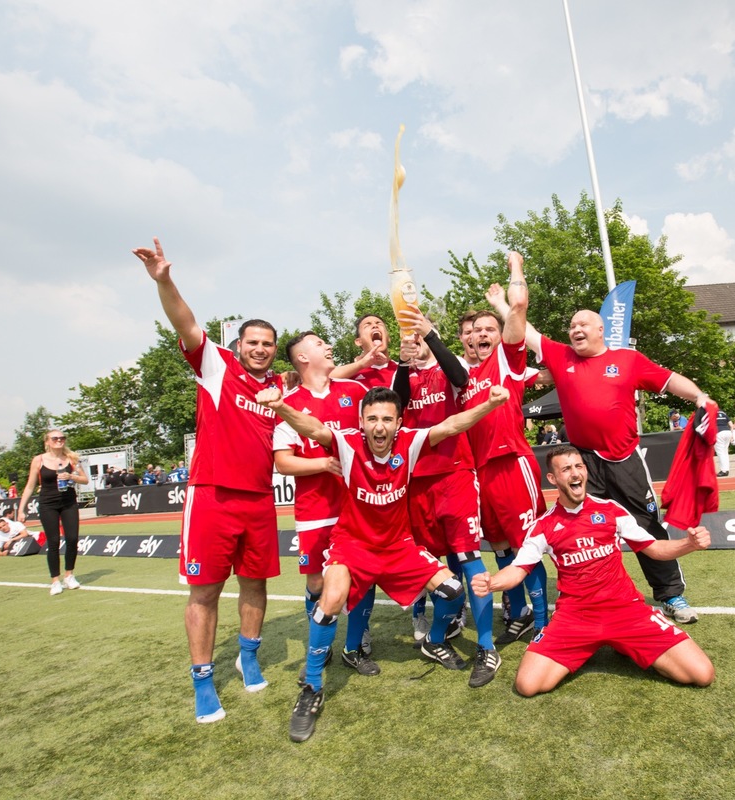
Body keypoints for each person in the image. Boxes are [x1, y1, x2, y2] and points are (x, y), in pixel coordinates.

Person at [257, 383, 511, 742]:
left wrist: (490, 402)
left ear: (398, 422)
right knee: (330, 600)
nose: (379, 427)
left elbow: (453, 425)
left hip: (398, 546)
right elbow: (312, 428)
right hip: (352, 544)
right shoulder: (346, 443)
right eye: (372, 418)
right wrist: (281, 405)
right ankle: (312, 687)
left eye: (387, 419)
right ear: (361, 421)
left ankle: (434, 639)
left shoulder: (411, 441)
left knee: (453, 590)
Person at [133, 237, 282, 725]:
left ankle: (249, 654)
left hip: (260, 500)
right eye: (252, 342)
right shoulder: (216, 365)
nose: (259, 349)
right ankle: (202, 680)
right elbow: (186, 323)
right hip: (213, 496)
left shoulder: (279, 389)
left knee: (255, 585)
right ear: (239, 345)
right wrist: (164, 280)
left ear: (274, 351)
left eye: (267, 344)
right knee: (206, 591)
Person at [521, 284, 708, 625]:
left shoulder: (627, 360)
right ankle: (587, 595)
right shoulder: (561, 357)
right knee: (578, 528)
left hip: (624, 459)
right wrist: (507, 296)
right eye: (572, 326)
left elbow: (668, 380)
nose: (576, 330)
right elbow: (526, 331)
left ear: (601, 330)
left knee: (647, 527)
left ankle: (670, 595)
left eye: (583, 325)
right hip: (583, 462)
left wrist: (699, 397)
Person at [471, 446, 714, 696]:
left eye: (579, 466)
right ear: (553, 479)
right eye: (566, 469)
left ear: (585, 471)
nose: (575, 473)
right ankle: (592, 646)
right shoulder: (543, 525)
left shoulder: (611, 509)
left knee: (701, 674)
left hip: (626, 611)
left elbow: (654, 548)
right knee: (528, 685)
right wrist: (492, 583)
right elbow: (518, 569)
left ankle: (628, 644)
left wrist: (689, 544)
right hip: (575, 617)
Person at [394, 307, 500, 688]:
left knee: (470, 559)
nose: (416, 343)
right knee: (429, 567)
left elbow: (460, 375)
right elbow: (394, 402)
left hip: (455, 474)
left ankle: (486, 646)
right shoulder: (403, 373)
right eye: (410, 339)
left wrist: (431, 333)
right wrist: (404, 362)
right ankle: (436, 637)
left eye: (420, 338)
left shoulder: (449, 367)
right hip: (416, 483)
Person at [457, 253, 552, 644]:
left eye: (488, 329)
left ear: (500, 335)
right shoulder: (465, 377)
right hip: (479, 474)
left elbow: (519, 307)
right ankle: (520, 610)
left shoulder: (507, 360)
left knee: (526, 545)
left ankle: (545, 623)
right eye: (473, 330)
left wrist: (516, 268)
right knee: (498, 545)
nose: (480, 334)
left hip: (511, 464)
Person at [273, 332, 376, 681]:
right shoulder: (288, 403)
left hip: (358, 506)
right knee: (317, 582)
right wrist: (322, 464)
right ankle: (321, 644)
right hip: (314, 509)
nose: (328, 347)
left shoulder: (355, 393)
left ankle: (355, 647)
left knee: (362, 576)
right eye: (319, 344)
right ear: (301, 358)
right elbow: (283, 463)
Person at [18, 430, 88, 593]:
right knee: (54, 541)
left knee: (72, 538)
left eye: (62, 438)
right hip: (48, 504)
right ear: (47, 442)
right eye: (55, 438)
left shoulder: (72, 459)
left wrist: (72, 477)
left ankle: (69, 575)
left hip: (68, 502)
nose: (59, 440)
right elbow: (30, 485)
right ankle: (55, 580)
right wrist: (21, 509)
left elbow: (84, 480)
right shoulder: (39, 460)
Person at [713, 406, 733, 478]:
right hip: (727, 432)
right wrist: (732, 435)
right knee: (725, 452)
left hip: (719, 432)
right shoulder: (722, 412)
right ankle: (726, 469)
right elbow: (731, 424)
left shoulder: (711, 413)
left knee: (720, 452)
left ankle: (723, 470)